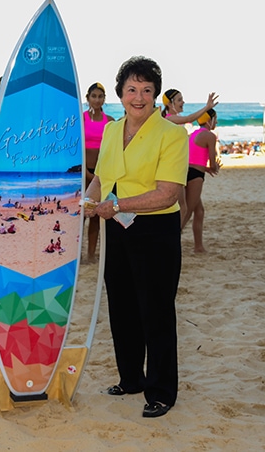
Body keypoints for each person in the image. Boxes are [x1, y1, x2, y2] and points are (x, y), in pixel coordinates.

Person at [84, 56, 188, 418]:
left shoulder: (172, 134)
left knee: (155, 311)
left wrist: (116, 205)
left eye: (146, 90)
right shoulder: (113, 130)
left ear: (156, 94)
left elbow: (169, 193)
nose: (139, 97)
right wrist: (89, 200)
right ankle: (131, 379)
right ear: (120, 93)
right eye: (131, 89)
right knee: (123, 307)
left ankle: (160, 391)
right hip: (117, 228)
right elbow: (101, 178)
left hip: (155, 230)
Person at [161, 89, 218, 225]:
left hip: (180, 168)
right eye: (179, 100)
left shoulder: (174, 120)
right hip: (171, 168)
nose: (183, 102)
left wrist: (205, 168)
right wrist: (207, 107)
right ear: (170, 103)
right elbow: (188, 119)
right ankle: (174, 237)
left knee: (183, 207)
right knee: (182, 207)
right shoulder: (170, 119)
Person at [181, 109, 220, 252]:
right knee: (188, 211)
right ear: (210, 120)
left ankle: (199, 246)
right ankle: (171, 239)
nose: (217, 121)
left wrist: (208, 169)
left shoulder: (193, 134)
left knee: (199, 211)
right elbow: (212, 161)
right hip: (196, 175)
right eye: (215, 118)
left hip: (187, 171)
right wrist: (214, 168)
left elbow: (194, 158)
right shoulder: (209, 135)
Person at [83, 82, 114, 262]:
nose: (97, 99)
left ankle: (91, 255)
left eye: (100, 96)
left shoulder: (109, 121)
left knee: (95, 214)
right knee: (80, 215)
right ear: (88, 98)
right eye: (93, 96)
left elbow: (111, 149)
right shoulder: (81, 118)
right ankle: (75, 254)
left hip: (101, 174)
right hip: (82, 172)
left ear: (104, 99)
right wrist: (86, 173)